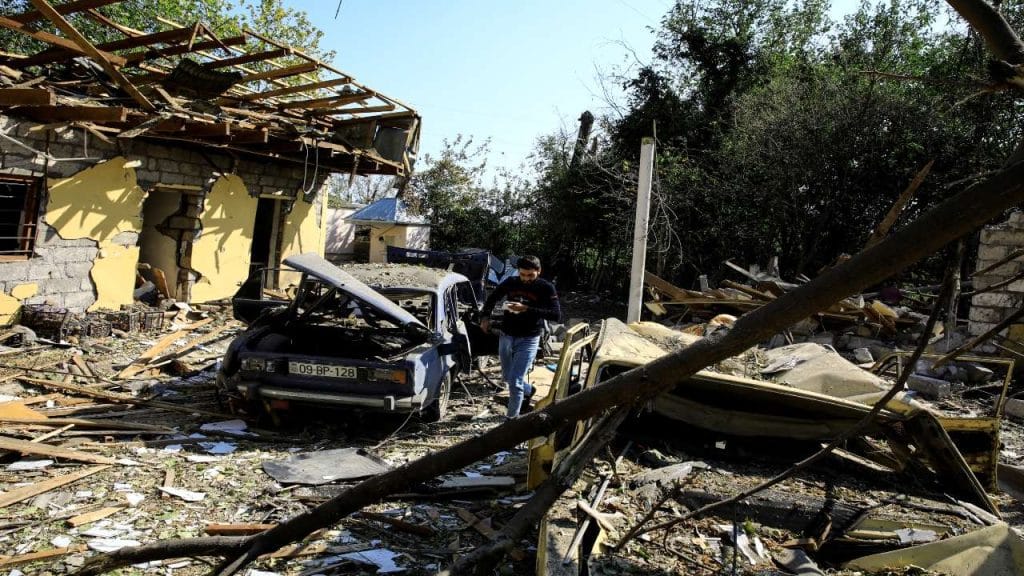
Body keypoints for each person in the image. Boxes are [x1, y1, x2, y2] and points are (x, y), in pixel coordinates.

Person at [480, 255, 561, 418]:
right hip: (507, 334)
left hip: (529, 338)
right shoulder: (511, 282)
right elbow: (493, 297)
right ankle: (529, 390)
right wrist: (485, 317)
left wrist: (526, 309)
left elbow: (556, 315)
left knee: (515, 380)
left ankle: (511, 420)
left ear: (539, 271)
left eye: (530, 275)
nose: (525, 279)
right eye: (522, 274)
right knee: (507, 377)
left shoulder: (546, 288)